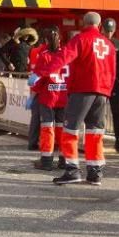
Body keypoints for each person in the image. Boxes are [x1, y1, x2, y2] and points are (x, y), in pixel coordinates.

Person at [50, 12, 117, 186]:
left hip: (82, 90)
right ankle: (95, 172)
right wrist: (107, 91)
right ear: (100, 25)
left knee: (70, 130)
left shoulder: (80, 39)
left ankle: (72, 170)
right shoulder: (109, 45)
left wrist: (42, 73)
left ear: (83, 23)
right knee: (95, 132)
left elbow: (63, 57)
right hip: (102, 92)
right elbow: (113, 71)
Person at [31, 27, 67, 171]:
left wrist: (33, 94)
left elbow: (38, 80)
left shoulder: (44, 56)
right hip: (63, 97)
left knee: (47, 128)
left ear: (45, 40)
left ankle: (46, 160)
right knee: (62, 129)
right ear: (60, 40)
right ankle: (64, 159)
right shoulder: (65, 54)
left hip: (47, 98)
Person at [102, 18, 119, 153]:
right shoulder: (98, 42)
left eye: (111, 31)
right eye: (107, 30)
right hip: (101, 82)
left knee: (116, 112)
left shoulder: (118, 44)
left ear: (114, 30)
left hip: (114, 83)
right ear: (102, 29)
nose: (109, 33)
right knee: (98, 112)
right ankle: (96, 138)